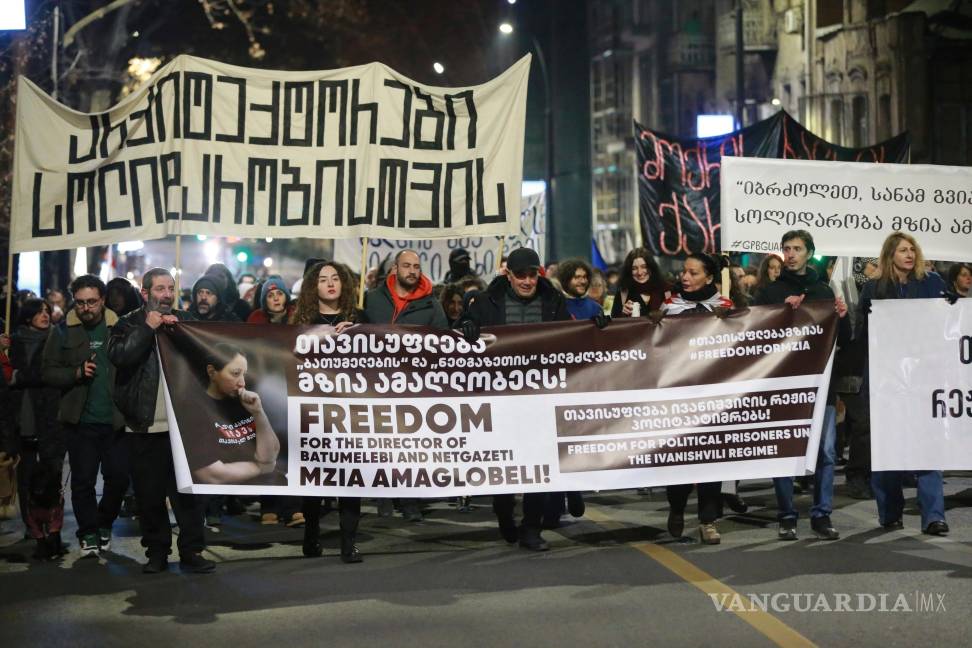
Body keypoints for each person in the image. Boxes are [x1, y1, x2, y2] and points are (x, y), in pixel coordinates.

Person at [456, 247, 608, 551]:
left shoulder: (554, 303)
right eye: (521, 275)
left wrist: (598, 328)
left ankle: (531, 528)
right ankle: (503, 509)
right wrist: (466, 328)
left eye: (532, 275)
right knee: (504, 463)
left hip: (539, 398)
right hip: (499, 398)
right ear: (508, 274)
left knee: (537, 463)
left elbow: (571, 338)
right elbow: (459, 336)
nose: (527, 281)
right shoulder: (484, 304)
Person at [107, 268, 214, 574]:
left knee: (188, 497)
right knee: (149, 495)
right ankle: (156, 552)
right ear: (145, 293)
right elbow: (120, 356)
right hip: (143, 425)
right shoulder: (128, 323)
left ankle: (192, 551)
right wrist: (148, 328)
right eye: (160, 289)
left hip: (182, 427)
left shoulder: (186, 321)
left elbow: (210, 356)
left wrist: (182, 333)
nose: (167, 295)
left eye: (170, 288)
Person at [752, 230, 848, 541]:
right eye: (786, 248)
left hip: (822, 385)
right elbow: (755, 337)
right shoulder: (770, 293)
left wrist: (842, 318)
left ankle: (822, 515)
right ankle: (787, 515)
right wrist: (782, 315)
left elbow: (841, 341)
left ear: (810, 253)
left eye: (797, 249)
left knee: (827, 452)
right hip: (784, 385)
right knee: (784, 450)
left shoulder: (822, 291)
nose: (790, 254)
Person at [858, 232, 949, 536]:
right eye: (902, 251)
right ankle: (890, 512)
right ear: (890, 255)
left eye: (912, 250)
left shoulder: (933, 282)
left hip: (924, 378)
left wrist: (952, 305)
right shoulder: (873, 288)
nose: (909, 255)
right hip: (888, 381)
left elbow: (948, 327)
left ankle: (934, 516)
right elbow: (862, 337)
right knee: (888, 449)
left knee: (928, 448)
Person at [42, 274, 129, 559]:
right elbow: (48, 372)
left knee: (117, 479)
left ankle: (105, 522)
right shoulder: (63, 332)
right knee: (83, 482)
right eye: (80, 303)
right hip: (79, 422)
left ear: (102, 300)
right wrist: (75, 374)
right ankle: (88, 530)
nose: (86, 308)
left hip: (115, 420)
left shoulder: (119, 327)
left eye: (92, 302)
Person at [362, 250, 448, 521]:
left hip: (414, 382)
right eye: (407, 266)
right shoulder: (372, 299)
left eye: (417, 267)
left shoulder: (431, 304)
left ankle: (411, 501)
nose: (412, 271)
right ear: (395, 269)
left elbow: (443, 341)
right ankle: (386, 495)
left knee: (411, 444)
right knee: (382, 441)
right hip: (377, 382)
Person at [291, 260, 363, 562]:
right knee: (315, 480)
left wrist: (361, 331)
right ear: (313, 286)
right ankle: (311, 536)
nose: (330, 283)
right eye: (323, 279)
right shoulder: (300, 321)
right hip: (313, 410)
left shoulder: (359, 317)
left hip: (350, 410)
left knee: (352, 478)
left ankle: (349, 543)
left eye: (335, 278)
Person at [660, 254, 735, 544]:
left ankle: (708, 520)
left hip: (712, 396)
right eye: (684, 272)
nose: (685, 277)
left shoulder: (725, 307)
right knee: (679, 457)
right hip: (678, 395)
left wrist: (732, 322)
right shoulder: (669, 307)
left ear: (708, 277)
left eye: (692, 272)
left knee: (710, 459)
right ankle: (677, 507)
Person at [8, 299, 66, 558]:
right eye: (39, 312)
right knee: (26, 477)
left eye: (47, 311)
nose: (45, 315)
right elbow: (6, 375)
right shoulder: (15, 341)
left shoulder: (57, 338)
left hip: (51, 415)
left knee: (51, 476)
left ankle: (54, 531)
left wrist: (20, 376)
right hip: (22, 417)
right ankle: (33, 529)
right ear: (27, 316)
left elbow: (49, 374)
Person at [179, 343, 281, 485]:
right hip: (220, 497)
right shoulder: (193, 408)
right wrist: (260, 468)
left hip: (260, 490)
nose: (242, 383)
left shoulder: (246, 400)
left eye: (244, 374)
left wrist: (258, 413)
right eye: (235, 373)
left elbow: (271, 454)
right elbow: (212, 475)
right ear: (212, 372)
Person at [610, 248, 670, 318]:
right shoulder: (623, 292)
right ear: (629, 271)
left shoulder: (666, 290)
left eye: (644, 267)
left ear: (651, 267)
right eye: (634, 268)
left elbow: (673, 319)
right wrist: (623, 313)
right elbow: (615, 323)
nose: (639, 272)